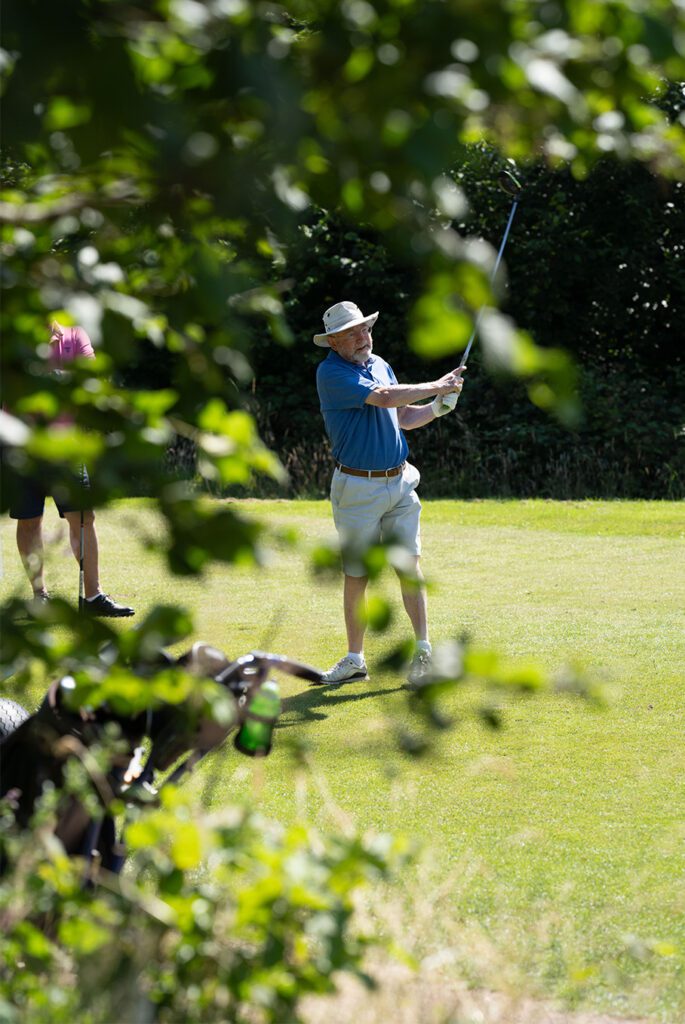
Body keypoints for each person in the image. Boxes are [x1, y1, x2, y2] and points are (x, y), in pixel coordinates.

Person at [313, 300, 464, 686]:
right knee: (357, 574)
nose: (364, 338)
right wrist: (437, 384)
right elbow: (383, 397)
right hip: (356, 487)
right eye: (352, 334)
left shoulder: (379, 363)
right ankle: (354, 659)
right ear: (333, 342)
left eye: (365, 329)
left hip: (400, 481)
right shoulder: (330, 373)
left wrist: (436, 406)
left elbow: (403, 417)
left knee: (409, 567)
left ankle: (423, 653)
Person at [8, 321, 135, 617]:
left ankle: (93, 597)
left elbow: (91, 381)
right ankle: (40, 596)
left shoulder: (75, 335)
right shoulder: (13, 336)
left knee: (83, 518)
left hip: (67, 446)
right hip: (21, 448)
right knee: (29, 521)